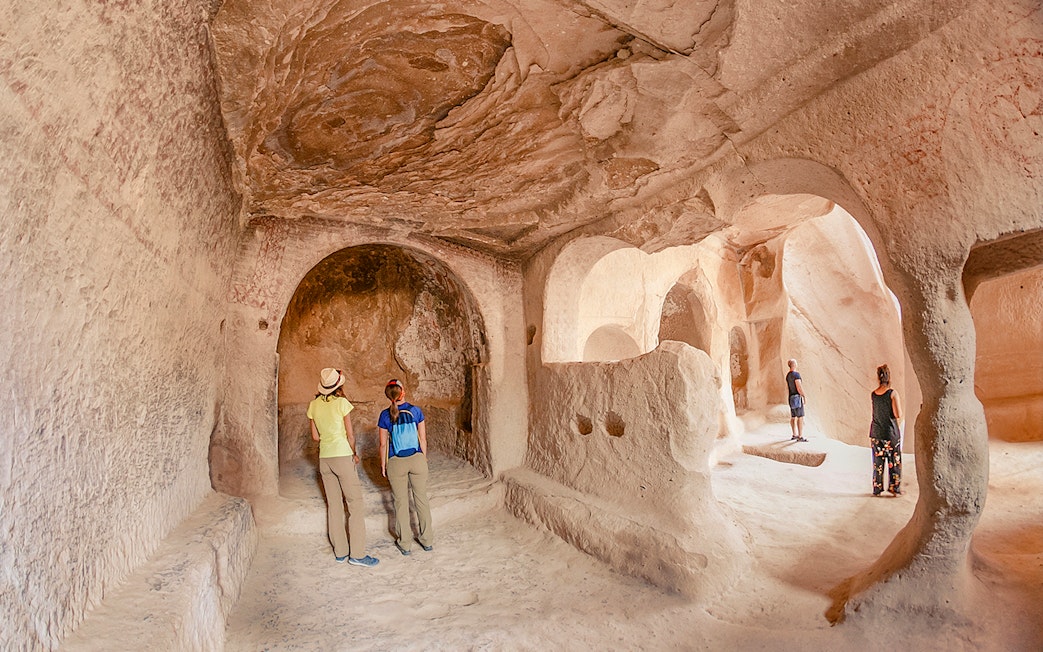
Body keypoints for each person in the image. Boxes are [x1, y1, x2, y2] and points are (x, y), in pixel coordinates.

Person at [307, 367, 379, 567]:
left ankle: (340, 552)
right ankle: (357, 554)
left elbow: (315, 437)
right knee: (355, 504)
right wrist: (354, 454)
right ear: (338, 386)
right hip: (342, 455)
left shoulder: (313, 405)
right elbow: (350, 435)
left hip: (325, 458)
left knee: (334, 505)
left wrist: (328, 440)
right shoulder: (342, 403)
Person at [378, 379, 434, 556]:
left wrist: (383, 464)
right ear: (403, 392)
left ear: (389, 395)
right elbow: (423, 439)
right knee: (421, 500)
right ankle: (427, 541)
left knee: (401, 503)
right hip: (417, 458)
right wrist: (422, 458)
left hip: (396, 462)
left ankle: (405, 544)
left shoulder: (385, 415)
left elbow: (382, 444)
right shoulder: (416, 411)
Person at [869, 364, 903, 496]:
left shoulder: (874, 394)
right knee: (894, 462)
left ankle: (877, 488)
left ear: (878, 377)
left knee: (878, 464)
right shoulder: (892, 393)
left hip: (876, 433)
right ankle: (894, 488)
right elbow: (897, 413)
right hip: (890, 433)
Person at [785, 359, 807, 442]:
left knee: (793, 417)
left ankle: (794, 434)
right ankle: (800, 436)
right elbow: (799, 387)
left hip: (791, 397)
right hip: (797, 398)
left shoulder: (788, 375)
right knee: (800, 417)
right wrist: (803, 395)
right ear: (794, 365)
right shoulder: (796, 375)